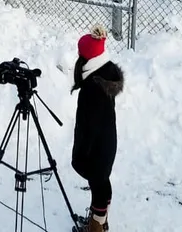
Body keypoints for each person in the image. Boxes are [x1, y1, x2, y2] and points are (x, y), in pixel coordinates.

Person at [71, 29, 124, 232]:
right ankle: (100, 222)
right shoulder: (105, 77)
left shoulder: (92, 89)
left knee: (98, 185)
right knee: (102, 183)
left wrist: (83, 153)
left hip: (95, 148)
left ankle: (95, 228)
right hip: (107, 144)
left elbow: (89, 125)